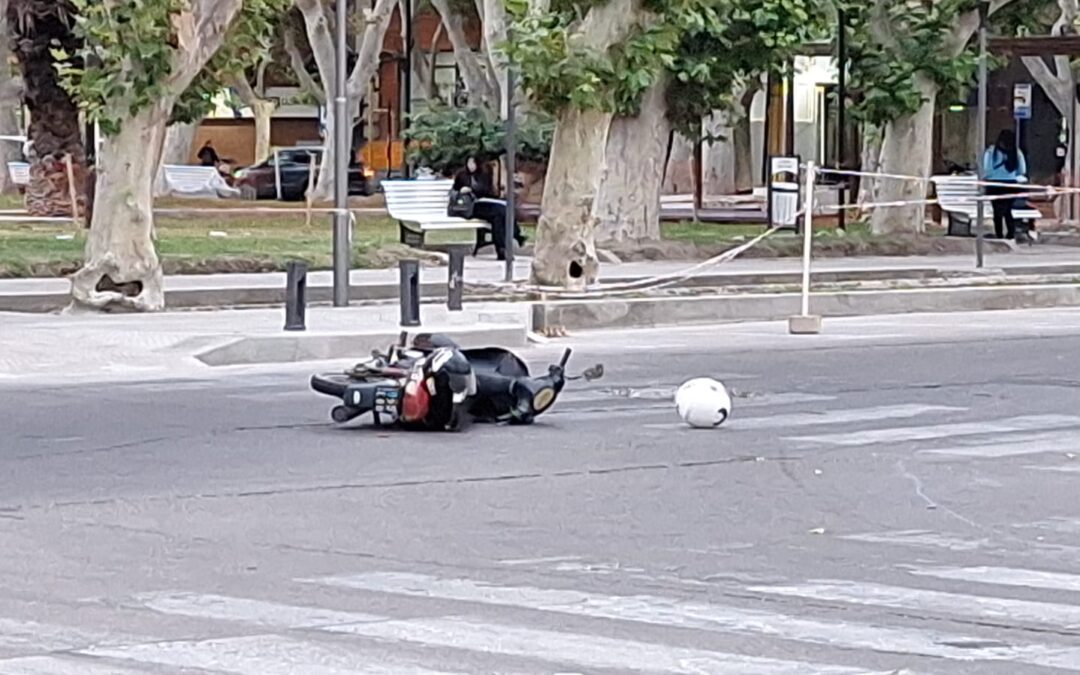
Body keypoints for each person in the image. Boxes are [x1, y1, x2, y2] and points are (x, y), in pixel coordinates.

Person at [453, 156, 524, 260]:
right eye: (469, 162)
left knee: (500, 214)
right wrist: (462, 190)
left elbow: (487, 191)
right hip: (469, 207)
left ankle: (502, 250)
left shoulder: (483, 175)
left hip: (483, 203)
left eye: (473, 163)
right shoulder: (462, 175)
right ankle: (515, 236)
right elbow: (454, 192)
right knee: (499, 212)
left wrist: (475, 190)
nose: (471, 165)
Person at [982, 129, 1028, 240]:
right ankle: (1010, 233)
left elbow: (986, 169)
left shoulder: (991, 152)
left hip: (994, 185)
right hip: (1011, 185)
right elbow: (1022, 170)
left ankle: (999, 234)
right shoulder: (1016, 152)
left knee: (997, 211)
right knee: (1008, 210)